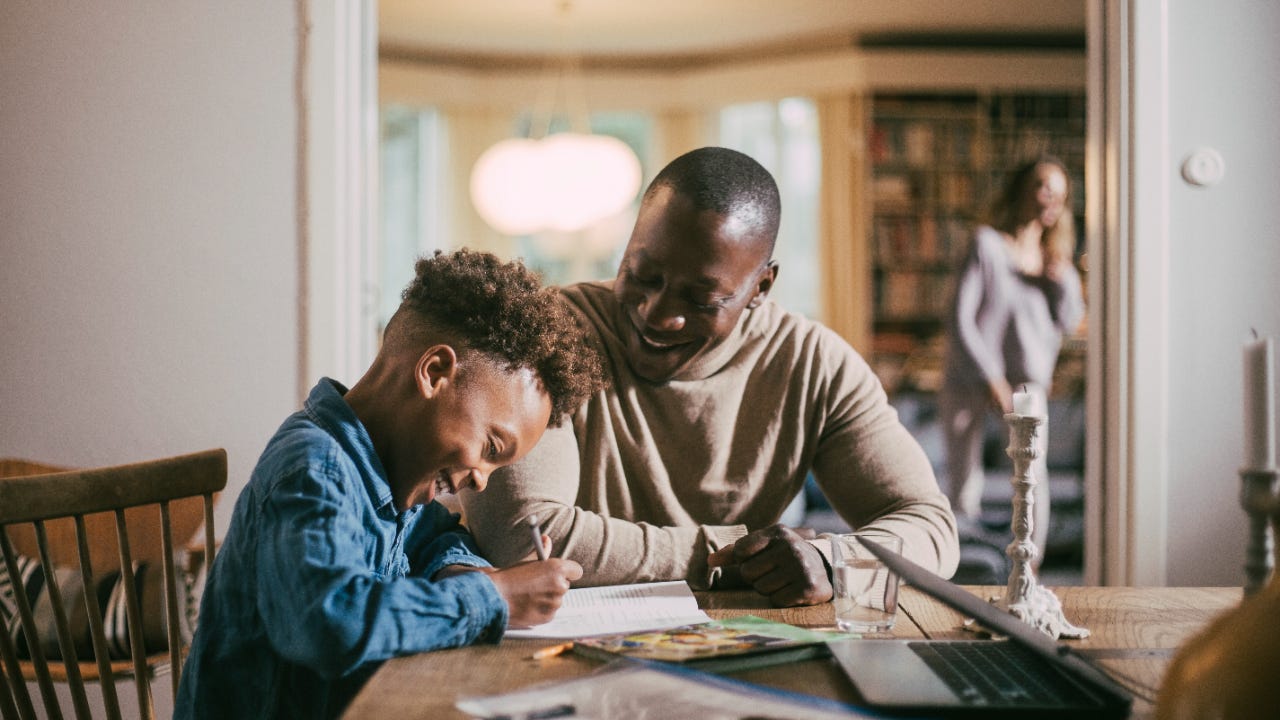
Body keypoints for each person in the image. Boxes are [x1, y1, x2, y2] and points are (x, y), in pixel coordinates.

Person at [460, 147, 959, 608]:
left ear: (761, 286)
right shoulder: (547, 334)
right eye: (642, 275)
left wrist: (833, 560)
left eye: (701, 299)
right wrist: (726, 556)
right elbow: (522, 536)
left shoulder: (814, 364)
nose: (658, 315)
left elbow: (931, 528)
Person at [175, 249, 602, 719]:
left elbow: (437, 536)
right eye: (490, 448)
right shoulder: (314, 469)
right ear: (435, 372)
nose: (480, 481)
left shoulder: (392, 473)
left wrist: (461, 571)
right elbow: (330, 621)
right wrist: (494, 596)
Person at [938, 156, 1085, 557]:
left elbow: (1071, 323)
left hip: (1027, 386)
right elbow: (960, 317)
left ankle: (1029, 571)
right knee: (962, 483)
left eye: (1059, 193)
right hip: (970, 380)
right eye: (1042, 186)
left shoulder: (1056, 263)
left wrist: (1061, 283)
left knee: (1032, 479)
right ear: (1021, 188)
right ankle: (960, 566)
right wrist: (991, 379)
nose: (1049, 198)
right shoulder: (986, 244)